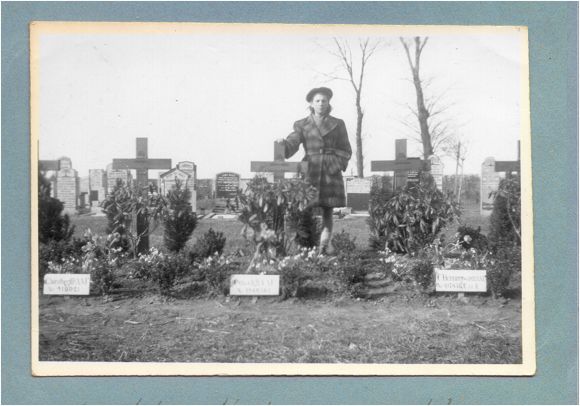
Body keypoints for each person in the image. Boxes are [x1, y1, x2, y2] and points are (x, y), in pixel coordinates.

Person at [276, 87, 352, 254]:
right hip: (310, 169)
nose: (321, 104)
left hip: (330, 171)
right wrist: (284, 144)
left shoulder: (338, 124)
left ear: (328, 103)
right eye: (317, 101)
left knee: (328, 209)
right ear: (311, 103)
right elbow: (293, 141)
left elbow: (346, 149)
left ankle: (325, 245)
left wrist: (336, 163)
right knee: (303, 207)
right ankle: (304, 245)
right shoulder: (302, 124)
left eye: (324, 100)